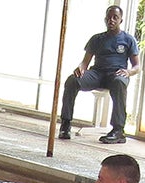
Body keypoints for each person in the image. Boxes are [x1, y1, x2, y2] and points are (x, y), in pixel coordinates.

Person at [58, 5, 140, 144]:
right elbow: (85, 62)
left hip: (116, 74)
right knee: (72, 80)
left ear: (121, 20)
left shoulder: (128, 39)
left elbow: (137, 66)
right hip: (97, 73)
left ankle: (118, 130)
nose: (111, 20)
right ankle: (65, 124)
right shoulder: (97, 39)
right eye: (109, 17)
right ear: (105, 19)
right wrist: (80, 68)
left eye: (115, 17)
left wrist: (129, 72)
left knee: (120, 82)